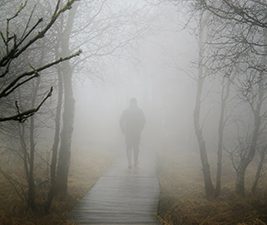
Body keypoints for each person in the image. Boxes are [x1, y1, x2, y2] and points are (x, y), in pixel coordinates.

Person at [120, 98, 145, 169]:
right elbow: (121, 120)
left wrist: (140, 128)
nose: (133, 104)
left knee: (136, 148)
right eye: (132, 103)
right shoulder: (126, 111)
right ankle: (129, 163)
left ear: (136, 103)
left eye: (134, 102)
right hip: (128, 132)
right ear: (130, 103)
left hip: (136, 132)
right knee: (129, 147)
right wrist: (123, 129)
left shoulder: (139, 111)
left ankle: (135, 162)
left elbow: (144, 120)